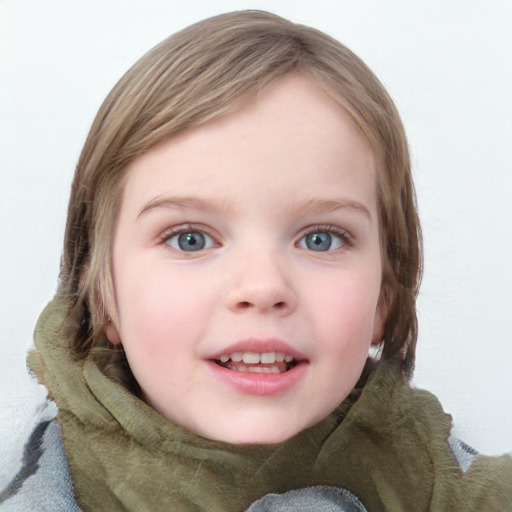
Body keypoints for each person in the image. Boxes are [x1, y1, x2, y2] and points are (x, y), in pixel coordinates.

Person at [1, 9, 510, 512]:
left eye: (321, 240)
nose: (263, 286)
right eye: (190, 240)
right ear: (102, 293)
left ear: (385, 296)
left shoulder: (447, 482)